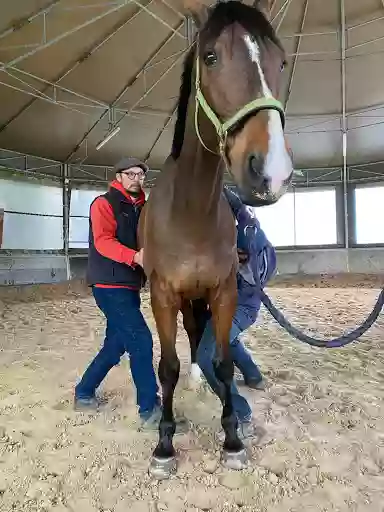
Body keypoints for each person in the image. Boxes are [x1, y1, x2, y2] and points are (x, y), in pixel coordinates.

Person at [74, 157, 186, 432]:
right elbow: (103, 242)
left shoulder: (143, 208)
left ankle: (84, 392)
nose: (137, 178)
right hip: (109, 286)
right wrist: (135, 256)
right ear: (119, 176)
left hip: (129, 286)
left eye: (141, 175)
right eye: (131, 174)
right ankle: (150, 411)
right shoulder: (103, 204)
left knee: (115, 346)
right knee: (141, 341)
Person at [196, 185, 277, 440]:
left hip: (241, 305)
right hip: (232, 304)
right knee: (226, 339)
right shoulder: (239, 227)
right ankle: (253, 376)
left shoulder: (246, 233)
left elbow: (256, 270)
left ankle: (241, 415)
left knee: (207, 356)